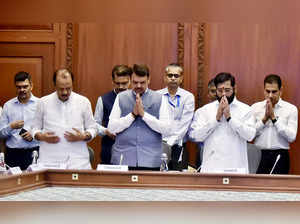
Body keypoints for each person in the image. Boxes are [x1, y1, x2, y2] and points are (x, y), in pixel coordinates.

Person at [189, 72, 256, 174]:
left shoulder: (246, 110)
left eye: (227, 90)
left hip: (236, 168)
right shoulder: (204, 111)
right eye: (220, 91)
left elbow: (250, 136)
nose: (224, 94)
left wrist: (230, 118)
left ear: (235, 89)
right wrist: (216, 119)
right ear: (215, 90)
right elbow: (195, 136)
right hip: (211, 169)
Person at [108, 64, 170, 170]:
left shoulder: (160, 99)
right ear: (130, 80)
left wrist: (144, 115)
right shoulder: (121, 97)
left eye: (142, 82)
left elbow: (166, 129)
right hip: (123, 159)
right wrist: (132, 115)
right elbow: (111, 128)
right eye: (135, 82)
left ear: (149, 80)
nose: (139, 86)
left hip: (150, 160)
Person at [32, 69, 98, 169]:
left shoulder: (83, 102)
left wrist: (84, 136)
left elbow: (93, 128)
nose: (65, 92)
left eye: (68, 88)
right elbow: (34, 128)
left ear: (72, 84)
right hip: (49, 162)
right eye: (61, 89)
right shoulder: (43, 102)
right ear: (54, 85)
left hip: (78, 163)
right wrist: (41, 136)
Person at [251, 74, 298, 174]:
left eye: (274, 92)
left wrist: (274, 119)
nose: (270, 95)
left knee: (277, 188)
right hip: (259, 154)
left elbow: (291, 137)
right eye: (267, 91)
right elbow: (249, 135)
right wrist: (263, 120)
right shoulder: (255, 108)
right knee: (257, 188)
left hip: (280, 155)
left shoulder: (291, 109)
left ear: (281, 90)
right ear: (263, 90)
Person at [157, 63, 195, 170]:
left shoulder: (188, 97)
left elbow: (185, 124)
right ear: (165, 77)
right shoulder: (157, 96)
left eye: (176, 76)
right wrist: (163, 144)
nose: (173, 78)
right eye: (170, 75)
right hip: (159, 144)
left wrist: (169, 143)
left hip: (178, 144)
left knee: (178, 180)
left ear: (181, 78)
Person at [0, 71, 40, 170]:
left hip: (35, 152)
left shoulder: (40, 104)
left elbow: (47, 130)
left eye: (25, 86)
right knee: (12, 184)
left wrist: (34, 135)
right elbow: (0, 134)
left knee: (35, 184)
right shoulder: (8, 106)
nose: (22, 90)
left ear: (31, 86)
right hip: (13, 155)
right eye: (19, 87)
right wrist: (11, 127)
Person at [94, 65, 132, 164]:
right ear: (112, 81)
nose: (121, 87)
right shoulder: (102, 99)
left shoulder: (137, 98)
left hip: (131, 152)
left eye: (124, 83)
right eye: (117, 83)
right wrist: (106, 131)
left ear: (130, 81)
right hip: (109, 151)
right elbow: (94, 125)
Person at [194, 78, 217, 169]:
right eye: (212, 91)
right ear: (208, 94)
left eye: (218, 91)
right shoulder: (201, 112)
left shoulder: (231, 112)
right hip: (204, 152)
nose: (216, 94)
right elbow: (195, 136)